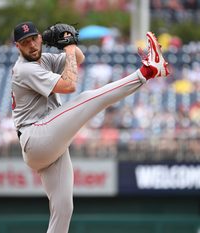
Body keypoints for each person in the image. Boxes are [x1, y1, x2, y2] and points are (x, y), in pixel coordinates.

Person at [11, 21, 169, 233]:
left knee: (64, 208)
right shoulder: (24, 69)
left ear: (40, 38)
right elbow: (70, 85)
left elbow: (79, 58)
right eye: (24, 42)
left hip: (49, 142)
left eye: (33, 39)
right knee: (87, 98)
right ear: (17, 47)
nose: (30, 45)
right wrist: (67, 47)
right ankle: (147, 71)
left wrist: (66, 42)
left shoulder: (44, 58)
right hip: (36, 136)